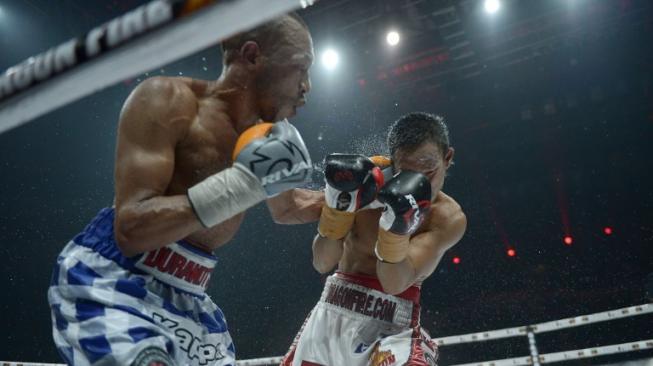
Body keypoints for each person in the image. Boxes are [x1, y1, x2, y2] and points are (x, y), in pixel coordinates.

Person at [48, 13, 323, 366]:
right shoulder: (167, 101)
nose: (307, 86)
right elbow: (131, 229)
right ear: (253, 56)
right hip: (114, 280)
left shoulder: (269, 138)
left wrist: (356, 195)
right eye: (301, 68)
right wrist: (240, 186)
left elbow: (289, 207)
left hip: (190, 298)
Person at [282, 112, 467, 366]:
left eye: (428, 172)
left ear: (447, 158)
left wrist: (396, 228)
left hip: (391, 326)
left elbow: (394, 282)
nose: (417, 185)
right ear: (393, 162)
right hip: (333, 314)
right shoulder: (367, 181)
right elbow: (322, 262)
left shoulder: (447, 218)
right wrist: (338, 211)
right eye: (406, 174)